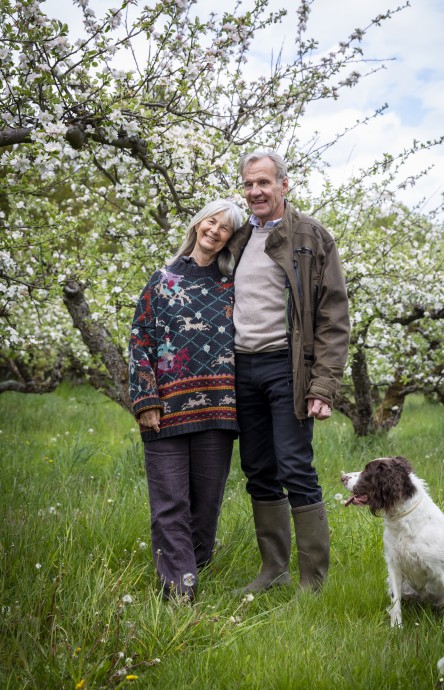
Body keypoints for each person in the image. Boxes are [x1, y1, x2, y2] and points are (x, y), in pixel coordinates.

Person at [230, 151, 350, 592]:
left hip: (287, 368)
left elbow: (333, 316)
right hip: (243, 368)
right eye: (248, 184)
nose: (255, 192)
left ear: (284, 184)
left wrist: (323, 385)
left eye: (264, 182)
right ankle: (273, 570)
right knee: (257, 468)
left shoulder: (312, 237)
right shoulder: (238, 238)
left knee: (295, 467)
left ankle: (313, 581)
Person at [128, 199, 243, 600]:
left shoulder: (233, 286)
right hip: (167, 412)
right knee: (169, 503)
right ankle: (179, 591)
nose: (214, 230)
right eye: (211, 221)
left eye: (225, 228)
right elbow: (140, 340)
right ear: (198, 224)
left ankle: (192, 569)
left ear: (230, 238)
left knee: (206, 506)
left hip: (219, 409)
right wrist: (145, 399)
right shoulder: (160, 282)